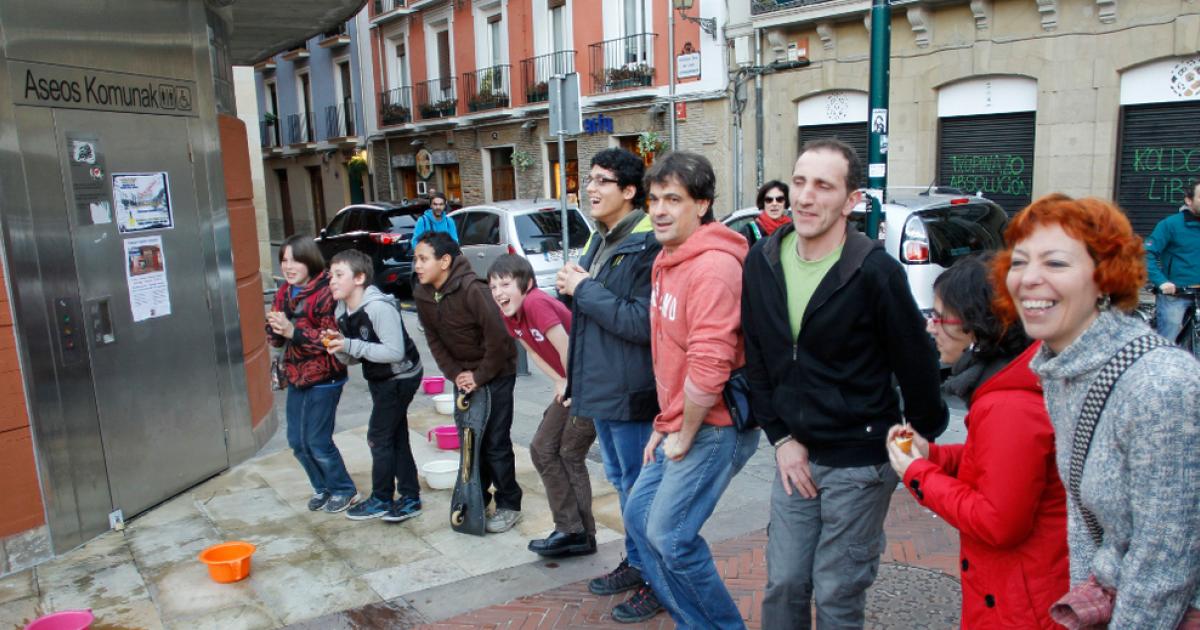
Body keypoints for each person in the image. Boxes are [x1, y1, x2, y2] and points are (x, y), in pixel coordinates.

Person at [741, 138, 948, 628]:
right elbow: (759, 359)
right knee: (785, 583)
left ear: (851, 201)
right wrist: (781, 439)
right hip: (796, 455)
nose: (806, 197)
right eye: (799, 182)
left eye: (823, 186)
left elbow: (916, 362)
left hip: (860, 458)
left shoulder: (874, 270)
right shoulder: (762, 260)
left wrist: (920, 431)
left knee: (836, 591)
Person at [995, 193, 1200, 628]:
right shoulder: (1063, 367)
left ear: (1104, 277)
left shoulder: (1159, 384)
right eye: (1019, 261)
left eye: (1055, 263)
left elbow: (1164, 561)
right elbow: (1085, 518)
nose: (1029, 278)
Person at [884, 254, 1069, 628]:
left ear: (977, 326)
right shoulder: (1014, 380)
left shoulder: (1008, 405)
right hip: (1030, 587)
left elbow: (997, 522)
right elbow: (1006, 465)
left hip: (1019, 603)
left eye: (940, 317)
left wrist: (916, 472)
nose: (930, 327)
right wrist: (933, 454)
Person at [622, 151, 759, 628]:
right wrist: (666, 424)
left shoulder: (714, 267)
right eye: (654, 198)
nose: (658, 209)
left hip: (716, 426)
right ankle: (693, 623)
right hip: (683, 422)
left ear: (702, 205)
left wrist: (683, 431)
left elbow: (709, 363)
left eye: (673, 199)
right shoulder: (668, 257)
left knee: (671, 535)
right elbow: (670, 355)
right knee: (640, 520)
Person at [555, 147, 664, 622]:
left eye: (602, 181)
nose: (590, 189)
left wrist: (583, 288)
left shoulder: (647, 244)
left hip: (633, 392)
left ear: (629, 191)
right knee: (622, 482)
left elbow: (641, 322)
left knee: (643, 491)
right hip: (602, 388)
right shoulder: (601, 239)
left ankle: (659, 580)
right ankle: (639, 563)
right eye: (588, 179)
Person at [487, 254, 597, 557]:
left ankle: (577, 533)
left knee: (567, 453)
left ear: (527, 284)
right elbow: (534, 353)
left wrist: (570, 384)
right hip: (572, 383)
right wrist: (559, 382)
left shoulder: (535, 303)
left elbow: (567, 347)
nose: (498, 292)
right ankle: (574, 530)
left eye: (505, 284)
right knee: (543, 448)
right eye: (493, 286)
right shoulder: (510, 315)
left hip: (591, 382)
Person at [413, 231, 522, 533]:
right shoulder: (422, 293)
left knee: (495, 442)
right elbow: (434, 339)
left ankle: (509, 503)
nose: (417, 265)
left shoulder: (475, 291)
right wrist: (455, 374)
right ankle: (476, 498)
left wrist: (479, 376)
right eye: (416, 259)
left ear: (445, 261)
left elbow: (500, 340)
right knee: (471, 443)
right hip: (464, 376)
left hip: (497, 372)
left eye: (423, 259)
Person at [323, 249, 425, 523]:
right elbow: (358, 355)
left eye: (339, 275)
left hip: (401, 377)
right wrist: (340, 348)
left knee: (378, 437)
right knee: (395, 436)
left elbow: (394, 352)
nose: (331, 280)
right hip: (380, 379)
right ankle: (410, 497)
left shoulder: (378, 307)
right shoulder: (343, 309)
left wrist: (350, 344)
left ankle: (381, 499)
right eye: (330, 275)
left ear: (359, 278)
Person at [265, 235, 358, 513]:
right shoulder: (284, 292)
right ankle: (322, 487)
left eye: (295, 260)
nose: (288, 266)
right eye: (284, 260)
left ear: (309, 260)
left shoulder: (327, 291)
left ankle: (344, 489)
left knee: (317, 440)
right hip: (296, 375)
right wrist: (275, 329)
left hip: (325, 377)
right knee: (296, 441)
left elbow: (333, 338)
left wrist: (294, 332)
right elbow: (277, 339)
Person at [1145, 178, 1200, 343]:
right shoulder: (1170, 225)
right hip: (1176, 293)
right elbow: (1147, 253)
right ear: (1188, 200)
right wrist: (1161, 282)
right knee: (1170, 335)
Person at [738, 180, 791, 246]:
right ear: (763, 203)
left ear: (785, 202)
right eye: (769, 200)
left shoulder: (793, 229)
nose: (774, 204)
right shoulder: (749, 231)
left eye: (779, 199)